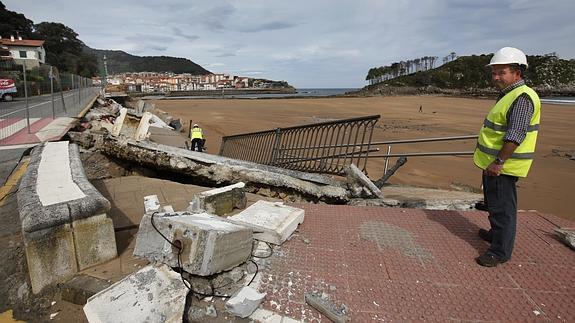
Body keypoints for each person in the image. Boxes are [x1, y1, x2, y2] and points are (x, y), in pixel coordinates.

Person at [473, 47, 541, 267]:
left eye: (501, 73)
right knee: (494, 203)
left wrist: (499, 162)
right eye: (494, 73)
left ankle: (499, 252)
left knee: (503, 209)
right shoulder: (509, 95)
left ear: (517, 73)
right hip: (493, 163)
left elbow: (515, 134)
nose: (495, 77)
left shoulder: (521, 98)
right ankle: (496, 234)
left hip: (503, 166)